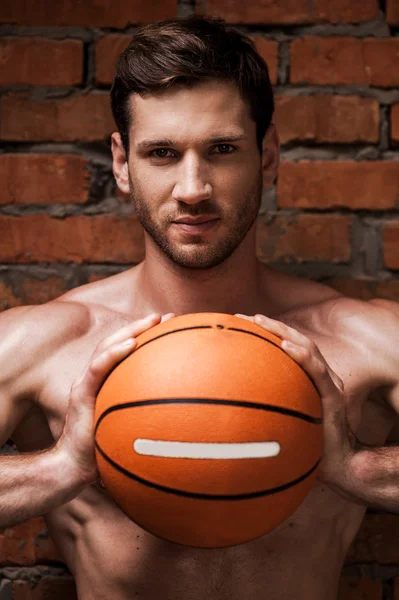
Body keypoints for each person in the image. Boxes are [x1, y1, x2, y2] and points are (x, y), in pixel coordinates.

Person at [1, 15, 398, 600]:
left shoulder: (368, 341)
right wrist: (58, 468)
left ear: (266, 155)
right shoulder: (44, 344)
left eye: (222, 149)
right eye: (161, 152)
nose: (193, 188)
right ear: (121, 162)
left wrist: (361, 469)